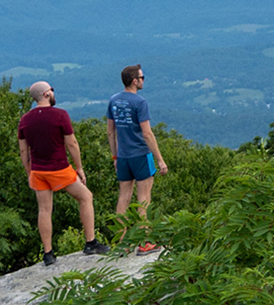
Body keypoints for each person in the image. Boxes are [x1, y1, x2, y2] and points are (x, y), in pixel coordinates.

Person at [17, 81, 110, 266]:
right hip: (59, 169)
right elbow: (72, 143)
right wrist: (79, 167)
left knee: (44, 210)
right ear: (46, 94)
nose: (53, 93)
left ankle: (48, 253)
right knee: (85, 197)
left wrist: (29, 172)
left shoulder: (25, 120)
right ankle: (91, 242)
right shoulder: (60, 115)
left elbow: (23, 151)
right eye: (51, 90)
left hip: (38, 171)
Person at [106, 64, 168, 254]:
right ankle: (145, 242)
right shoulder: (140, 102)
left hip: (123, 156)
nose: (143, 80)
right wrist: (160, 159)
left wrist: (115, 156)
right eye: (142, 78)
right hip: (141, 154)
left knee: (123, 197)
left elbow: (110, 131)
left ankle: (121, 243)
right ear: (135, 81)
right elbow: (147, 134)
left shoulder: (113, 100)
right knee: (144, 199)